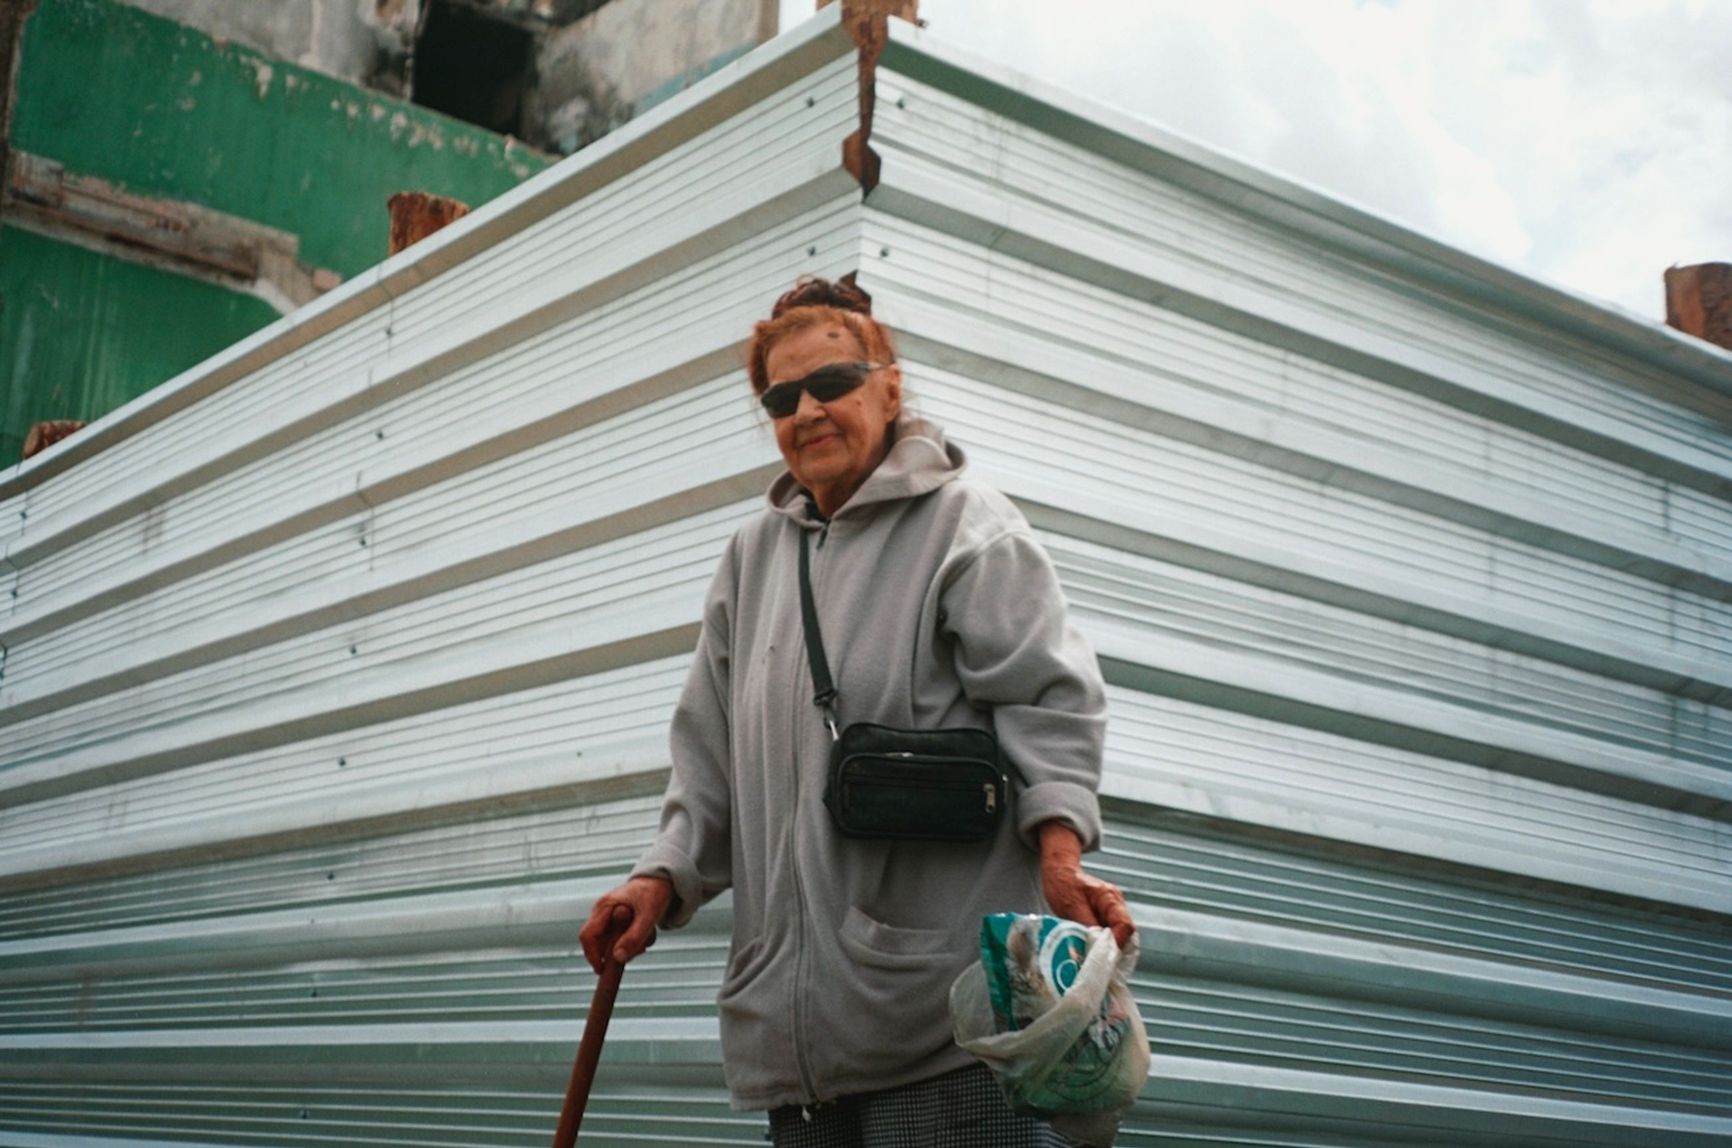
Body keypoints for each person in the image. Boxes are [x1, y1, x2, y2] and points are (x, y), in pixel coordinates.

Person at [579, 276, 1136, 1146]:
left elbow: (1049, 699)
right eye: (781, 397)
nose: (807, 410)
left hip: (943, 1038)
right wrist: (660, 877)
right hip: (795, 1049)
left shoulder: (967, 527)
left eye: (831, 383)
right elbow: (710, 757)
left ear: (889, 387)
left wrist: (1061, 853)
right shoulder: (751, 559)